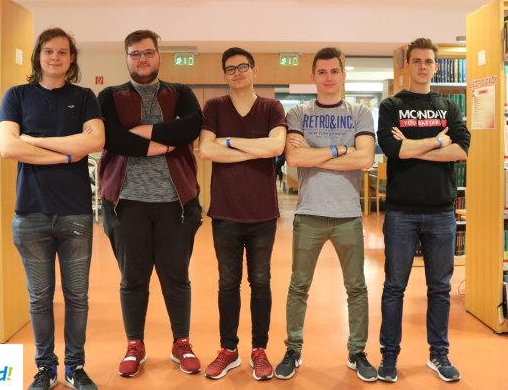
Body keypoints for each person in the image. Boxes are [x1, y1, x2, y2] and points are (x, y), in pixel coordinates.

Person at [0, 27, 105, 390]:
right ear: (38, 56)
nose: (55, 57)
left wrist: (35, 142)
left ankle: (75, 366)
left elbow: (96, 141)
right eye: (48, 51)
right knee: (40, 299)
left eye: (62, 52)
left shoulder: (85, 97)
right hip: (31, 213)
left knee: (77, 297)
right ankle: (45, 368)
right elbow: (9, 148)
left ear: (71, 59)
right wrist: (68, 154)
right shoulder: (17, 96)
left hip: (75, 213)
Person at [97, 29, 203, 379]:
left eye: (148, 53)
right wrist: (160, 140)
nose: (142, 59)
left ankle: (181, 342)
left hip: (176, 203)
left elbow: (189, 129)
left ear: (158, 56)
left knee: (177, 277)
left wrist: (139, 133)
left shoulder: (180, 93)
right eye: (135, 54)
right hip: (125, 203)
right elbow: (110, 138)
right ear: (126, 58)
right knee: (132, 279)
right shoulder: (109, 96)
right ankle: (134, 345)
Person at [274, 47, 377, 382]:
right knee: (298, 286)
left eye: (334, 71)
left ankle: (357, 352)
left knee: (356, 287)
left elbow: (364, 159)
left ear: (343, 75)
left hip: (348, 215)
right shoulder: (299, 113)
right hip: (309, 213)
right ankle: (293, 349)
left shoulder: (360, 113)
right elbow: (295, 159)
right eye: (322, 72)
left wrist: (317, 154)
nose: (329, 77)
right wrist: (341, 150)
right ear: (313, 77)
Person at [376, 37, 470, 383]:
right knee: (394, 288)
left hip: (442, 211)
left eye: (428, 61)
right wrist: (438, 141)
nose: (422, 66)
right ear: (407, 65)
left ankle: (439, 354)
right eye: (416, 61)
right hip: (401, 212)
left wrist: (413, 147)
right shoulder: (392, 106)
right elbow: (393, 150)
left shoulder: (449, 107)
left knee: (440, 288)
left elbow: (462, 150)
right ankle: (389, 356)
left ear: (435, 66)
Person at [198, 47, 287, 380]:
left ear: (255, 71)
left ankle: (259, 350)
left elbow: (276, 147)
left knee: (260, 282)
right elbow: (206, 150)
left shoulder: (271, 107)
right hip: (225, 212)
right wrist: (255, 149)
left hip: (263, 213)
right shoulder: (214, 107)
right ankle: (229, 350)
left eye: (243, 66)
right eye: (230, 68)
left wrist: (229, 143)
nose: (237, 72)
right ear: (224, 75)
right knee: (227, 283)